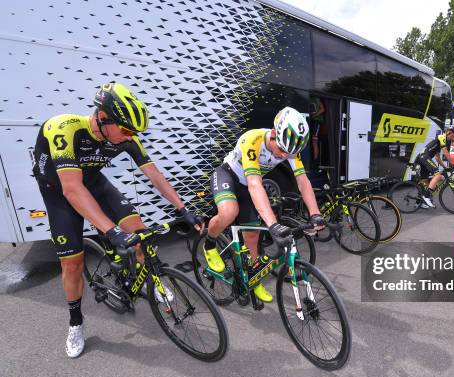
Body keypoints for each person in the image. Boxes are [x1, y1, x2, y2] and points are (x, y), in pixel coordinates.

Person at [33, 82, 203, 358]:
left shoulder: (125, 137)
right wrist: (113, 231)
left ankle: (155, 283)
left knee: (141, 235)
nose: (130, 136)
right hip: (59, 191)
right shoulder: (64, 128)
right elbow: (72, 189)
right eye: (125, 129)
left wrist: (184, 209)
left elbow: (154, 174)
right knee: (73, 263)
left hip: (94, 182)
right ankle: (75, 322)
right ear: (103, 118)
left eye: (133, 132)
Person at [203, 107, 324, 303]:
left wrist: (315, 213)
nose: (284, 156)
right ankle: (209, 244)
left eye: (289, 153)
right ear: (274, 133)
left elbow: (303, 180)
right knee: (229, 212)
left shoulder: (290, 149)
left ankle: (254, 279)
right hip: (228, 176)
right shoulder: (253, 139)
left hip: (249, 184)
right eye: (282, 150)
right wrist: (272, 224)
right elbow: (254, 183)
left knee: (252, 236)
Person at [416, 126, 454, 208]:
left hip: (422, 158)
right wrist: (453, 164)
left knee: (425, 183)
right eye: (453, 135)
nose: (453, 138)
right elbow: (445, 152)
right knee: (438, 175)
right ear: (448, 132)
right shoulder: (442, 137)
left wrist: (445, 167)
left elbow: (437, 157)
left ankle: (419, 203)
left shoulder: (439, 143)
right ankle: (426, 197)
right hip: (424, 157)